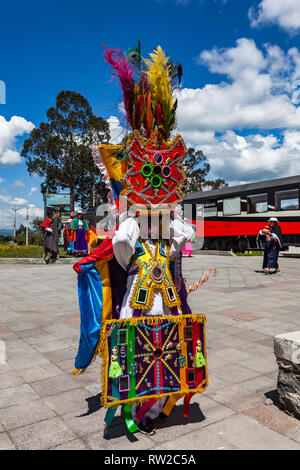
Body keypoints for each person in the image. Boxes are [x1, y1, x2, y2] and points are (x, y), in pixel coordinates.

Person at [71, 45, 209, 436]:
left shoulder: (170, 221)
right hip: (140, 294)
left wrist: (164, 221)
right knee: (136, 343)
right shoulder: (132, 221)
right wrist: (135, 236)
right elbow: (121, 247)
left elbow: (186, 236)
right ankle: (136, 404)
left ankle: (158, 404)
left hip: (164, 294)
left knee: (166, 341)